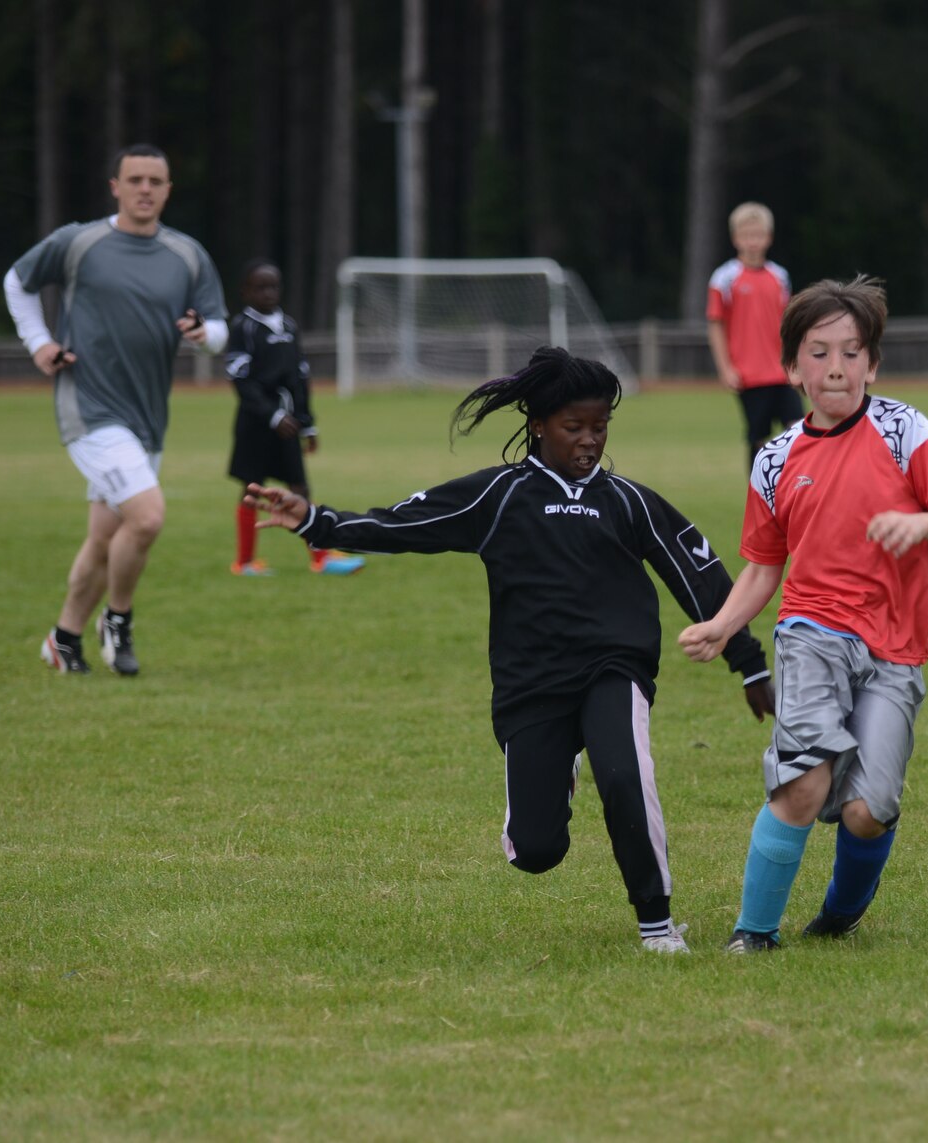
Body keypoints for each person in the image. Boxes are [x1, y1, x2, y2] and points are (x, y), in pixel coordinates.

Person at [245, 347, 775, 953]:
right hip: (532, 683)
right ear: (538, 424)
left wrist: (748, 663)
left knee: (626, 774)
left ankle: (656, 924)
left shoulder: (630, 502)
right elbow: (401, 525)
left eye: (599, 427)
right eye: (573, 427)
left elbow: (702, 580)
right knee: (536, 851)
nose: (588, 441)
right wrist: (317, 522)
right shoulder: (496, 495)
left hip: (615, 667)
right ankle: (558, 771)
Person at [678, 276, 928, 954]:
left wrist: (921, 524)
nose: (836, 367)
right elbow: (763, 566)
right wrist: (724, 624)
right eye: (818, 353)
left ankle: (841, 913)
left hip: (896, 649)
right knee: (804, 783)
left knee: (867, 813)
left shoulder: (905, 430)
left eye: (851, 352)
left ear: (872, 364)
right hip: (811, 635)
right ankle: (752, 932)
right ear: (791, 368)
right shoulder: (775, 458)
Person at [5, 144, 228, 677]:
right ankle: (119, 620)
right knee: (147, 517)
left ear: (169, 189)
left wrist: (203, 334)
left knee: (107, 538)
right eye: (135, 180)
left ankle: (63, 639)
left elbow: (220, 330)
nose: (145, 189)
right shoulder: (79, 242)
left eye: (156, 180)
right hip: (89, 407)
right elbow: (18, 281)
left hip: (148, 416)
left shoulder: (188, 255)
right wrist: (39, 342)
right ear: (115, 186)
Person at [225, 259, 363, 577]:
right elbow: (241, 381)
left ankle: (322, 557)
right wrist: (271, 414)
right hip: (256, 424)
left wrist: (307, 422)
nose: (268, 293)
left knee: (299, 488)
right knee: (252, 489)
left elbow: (300, 378)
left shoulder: (289, 325)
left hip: (289, 426)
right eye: (259, 287)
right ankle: (244, 562)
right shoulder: (242, 327)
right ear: (245, 291)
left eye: (273, 286)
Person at [706, 202, 799, 462]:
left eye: (758, 235)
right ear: (736, 238)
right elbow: (715, 324)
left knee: (798, 428)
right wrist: (725, 368)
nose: (752, 241)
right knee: (759, 437)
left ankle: (798, 492)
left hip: (781, 371)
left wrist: (794, 362)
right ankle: (758, 495)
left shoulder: (780, 276)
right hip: (749, 374)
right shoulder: (724, 278)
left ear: (768, 238)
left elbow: (788, 324)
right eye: (747, 235)